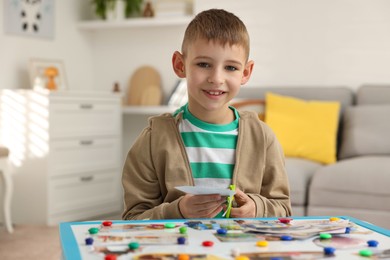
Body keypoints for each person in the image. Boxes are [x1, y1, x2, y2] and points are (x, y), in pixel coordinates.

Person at [122, 8, 291, 220]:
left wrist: (256, 208)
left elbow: (283, 208)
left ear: (245, 73)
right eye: (204, 64)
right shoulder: (153, 138)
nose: (216, 78)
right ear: (180, 65)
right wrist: (178, 210)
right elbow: (133, 218)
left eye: (230, 67)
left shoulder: (262, 137)